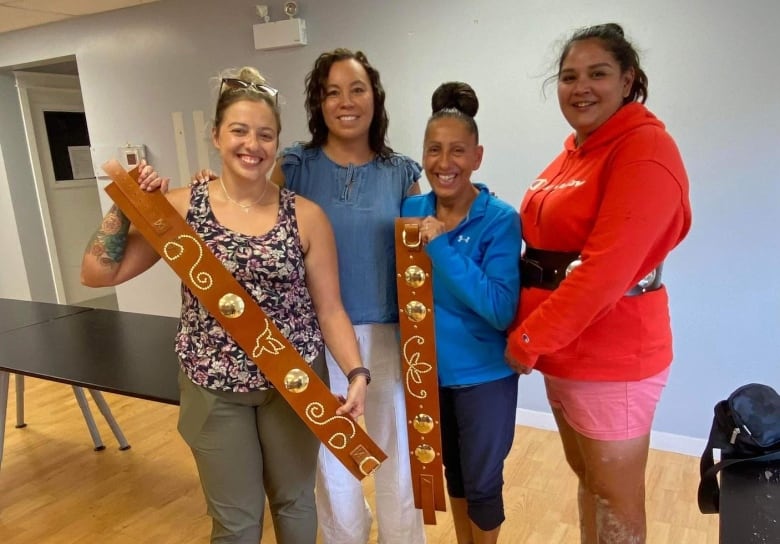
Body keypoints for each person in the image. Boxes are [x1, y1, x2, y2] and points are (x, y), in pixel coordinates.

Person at [81, 66, 369, 544]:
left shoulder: (307, 216)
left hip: (294, 382)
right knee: (235, 521)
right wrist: (127, 205)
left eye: (265, 135)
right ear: (215, 135)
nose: (251, 145)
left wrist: (357, 373)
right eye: (239, 130)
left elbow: (330, 309)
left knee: (296, 503)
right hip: (213, 387)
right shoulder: (180, 207)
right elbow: (97, 274)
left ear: (277, 143)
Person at [193, 48, 426, 544]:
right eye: (332, 92)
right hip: (310, 340)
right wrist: (207, 186)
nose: (346, 102)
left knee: (397, 458)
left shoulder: (402, 171)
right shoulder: (295, 165)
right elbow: (248, 202)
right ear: (318, 104)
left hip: (390, 337)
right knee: (330, 463)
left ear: (375, 98)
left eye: (357, 89)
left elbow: (423, 249)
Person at [504, 23, 692, 544]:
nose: (580, 87)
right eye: (569, 77)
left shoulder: (644, 150)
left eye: (598, 74)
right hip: (564, 350)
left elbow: (606, 270)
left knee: (616, 498)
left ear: (628, 80)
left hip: (611, 356)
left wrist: (528, 338)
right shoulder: (577, 151)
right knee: (590, 482)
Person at [402, 82, 522, 544]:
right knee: (452, 474)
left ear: (477, 156)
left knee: (484, 483)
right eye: (434, 150)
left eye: (457, 151)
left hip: (485, 377)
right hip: (428, 373)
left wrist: (442, 246)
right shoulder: (411, 209)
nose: (444, 163)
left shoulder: (499, 219)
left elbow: (499, 308)